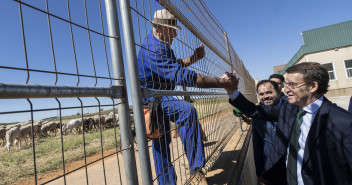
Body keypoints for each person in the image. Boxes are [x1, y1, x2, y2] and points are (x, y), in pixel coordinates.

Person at [137, 9, 234, 185]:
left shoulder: (162, 45)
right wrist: (221, 82)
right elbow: (183, 76)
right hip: (153, 99)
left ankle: (178, 177)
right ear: (159, 27)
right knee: (186, 112)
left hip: (161, 96)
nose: (175, 33)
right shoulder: (153, 49)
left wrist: (194, 58)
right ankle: (196, 169)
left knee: (162, 142)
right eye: (171, 29)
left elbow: (175, 66)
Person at [225, 62, 352, 185]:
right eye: (286, 84)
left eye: (292, 84)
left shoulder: (343, 122)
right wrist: (232, 91)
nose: (286, 90)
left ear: (313, 86)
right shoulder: (289, 109)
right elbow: (254, 111)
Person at [252, 80, 285, 185]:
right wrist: (259, 172)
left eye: (269, 92)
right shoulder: (257, 113)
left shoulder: (290, 107)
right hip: (270, 167)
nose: (265, 96)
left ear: (279, 92)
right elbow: (257, 144)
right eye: (261, 94)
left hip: (292, 166)